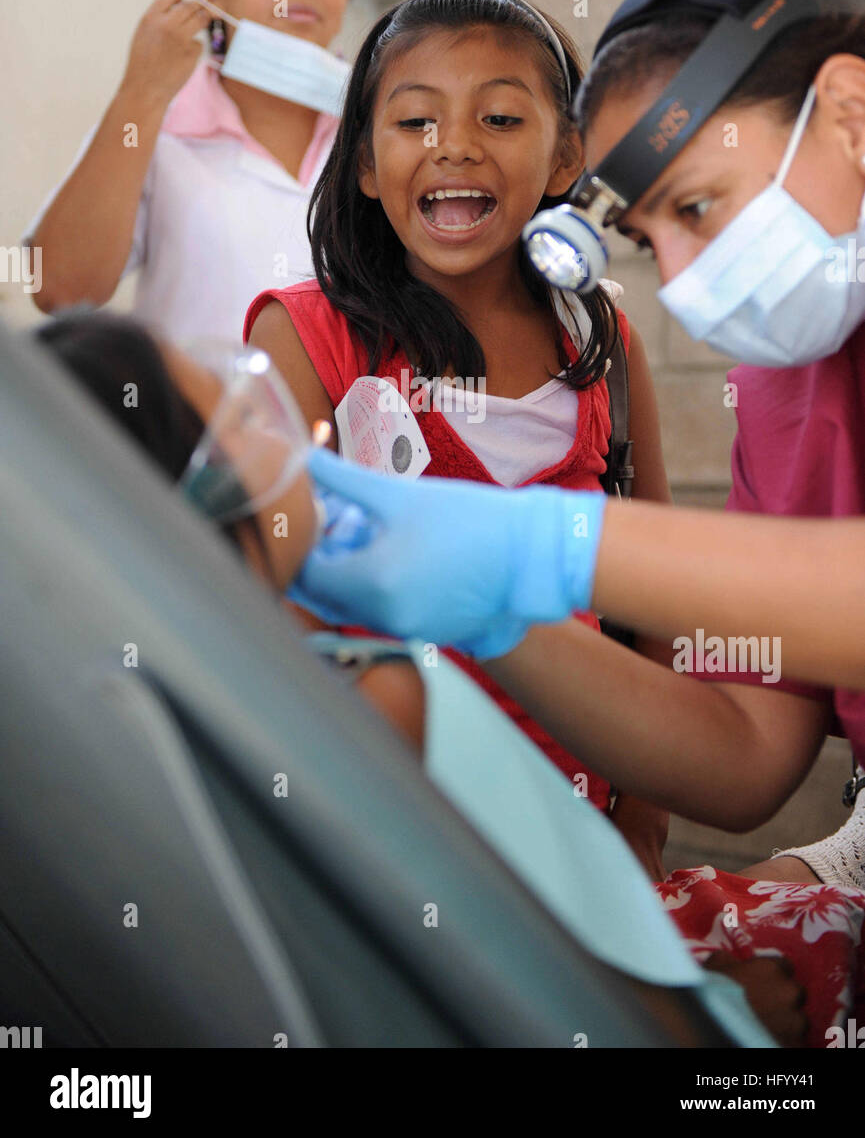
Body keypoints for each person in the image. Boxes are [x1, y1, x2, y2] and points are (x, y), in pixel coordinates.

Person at [289, 0, 865, 1044]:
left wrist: (540, 546)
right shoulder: (787, 385)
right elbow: (747, 755)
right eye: (650, 240)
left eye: (698, 208)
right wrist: (496, 619)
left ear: (847, 107)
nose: (688, 286)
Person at [34, 309, 798, 1047]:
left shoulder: (173, 730)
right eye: (240, 418)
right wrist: (702, 1023)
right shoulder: (374, 697)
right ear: (205, 498)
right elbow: (515, 968)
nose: (296, 432)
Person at [243, 0, 673, 868]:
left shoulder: (606, 341)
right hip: (377, 832)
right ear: (364, 163)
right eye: (414, 123)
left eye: (502, 119)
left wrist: (642, 814)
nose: (455, 148)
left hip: (579, 836)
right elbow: (258, 602)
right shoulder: (305, 336)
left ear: (566, 159)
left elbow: (656, 594)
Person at [26, 0, 352, 341]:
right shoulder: (154, 121)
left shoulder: (378, 135)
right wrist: (141, 93)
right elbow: (58, 288)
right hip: (186, 415)